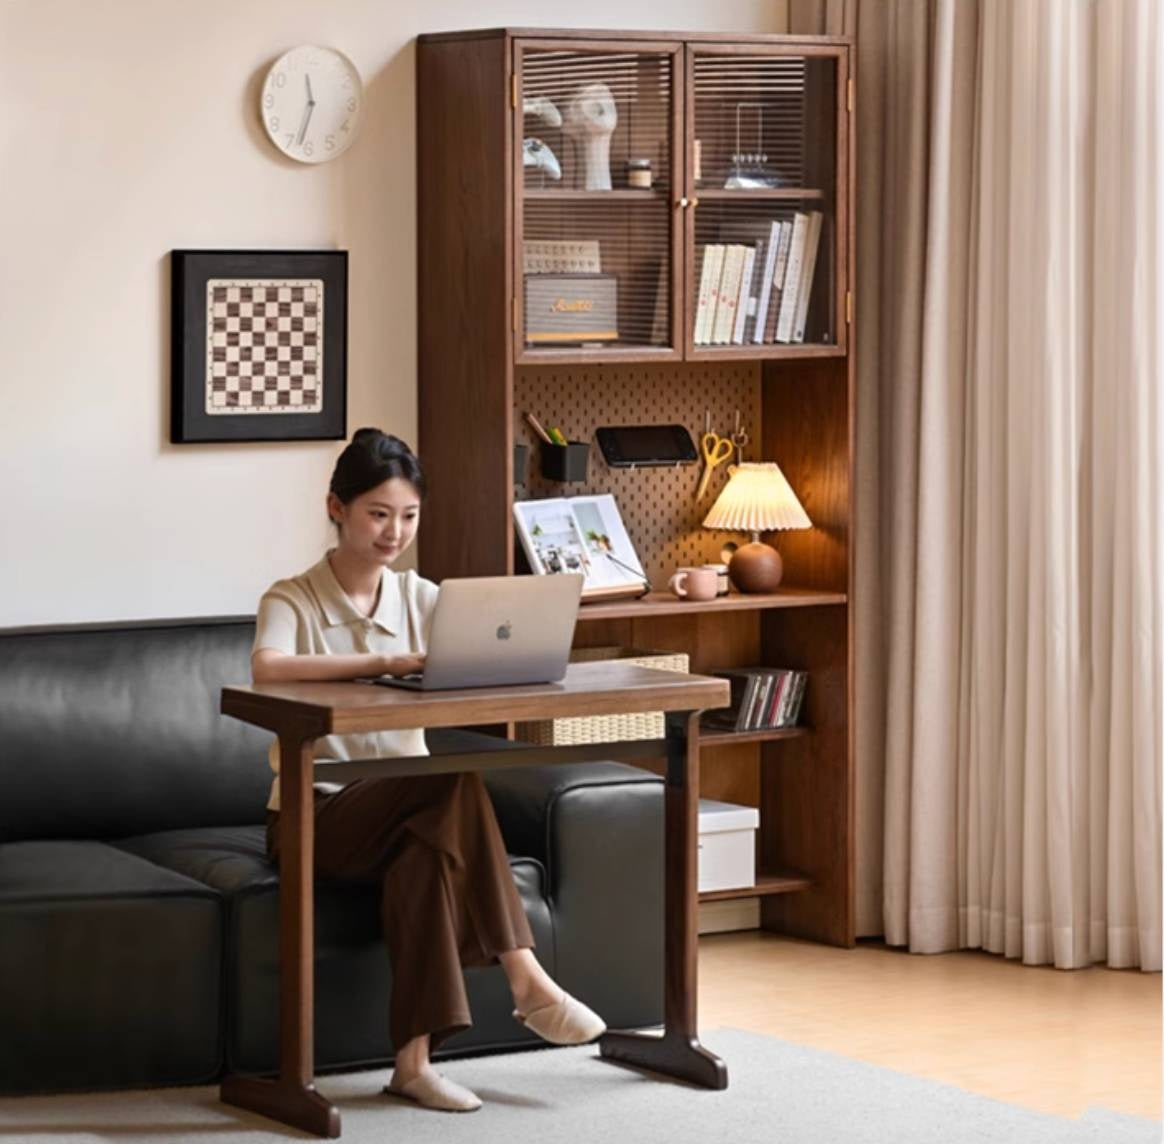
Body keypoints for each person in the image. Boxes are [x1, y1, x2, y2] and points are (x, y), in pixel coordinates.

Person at [252, 428, 605, 1113]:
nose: (395, 532)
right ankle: (525, 974)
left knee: (424, 856)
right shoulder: (291, 598)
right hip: (313, 815)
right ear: (337, 508)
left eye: (409, 516)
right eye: (378, 514)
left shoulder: (424, 597)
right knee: (451, 777)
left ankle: (412, 1066)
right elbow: (268, 669)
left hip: (408, 811)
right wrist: (384, 662)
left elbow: (484, 655)